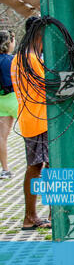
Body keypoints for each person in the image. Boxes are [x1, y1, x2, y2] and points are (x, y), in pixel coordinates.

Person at [11, 16, 51, 230]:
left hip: (30, 118)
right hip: (40, 119)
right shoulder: (32, 58)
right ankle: (35, 216)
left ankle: (33, 216)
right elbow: (48, 87)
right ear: (39, 34)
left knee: (36, 167)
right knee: (41, 167)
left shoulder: (20, 57)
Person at [0, 30, 17, 179]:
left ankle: (5, 169)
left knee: (2, 137)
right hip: (14, 98)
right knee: (31, 134)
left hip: (0, 101)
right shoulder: (12, 60)